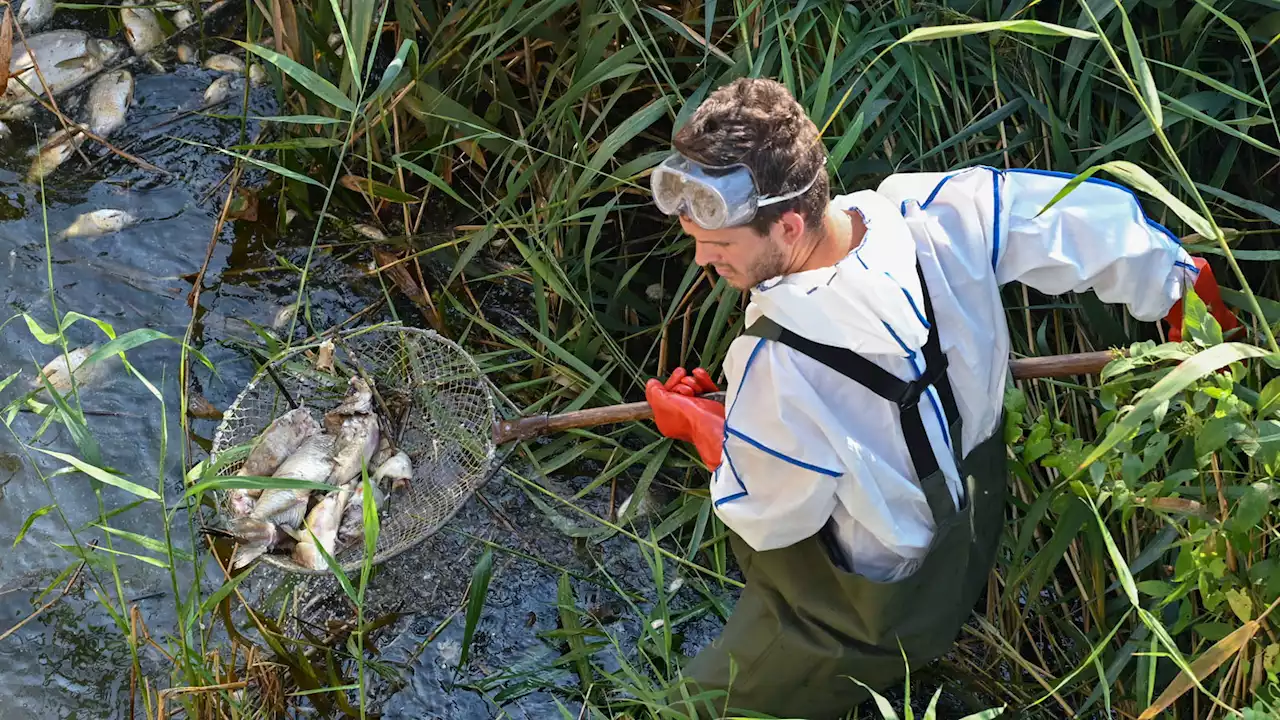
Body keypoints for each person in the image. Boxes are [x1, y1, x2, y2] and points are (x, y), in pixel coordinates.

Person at [642, 77, 1242, 719]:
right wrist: (1183, 287)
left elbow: (770, 517)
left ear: (788, 224)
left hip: (866, 605)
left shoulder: (774, 363)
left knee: (688, 709)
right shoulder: (943, 212)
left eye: (720, 243)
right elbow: (1077, 223)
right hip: (973, 531)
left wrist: (710, 431)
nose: (703, 258)